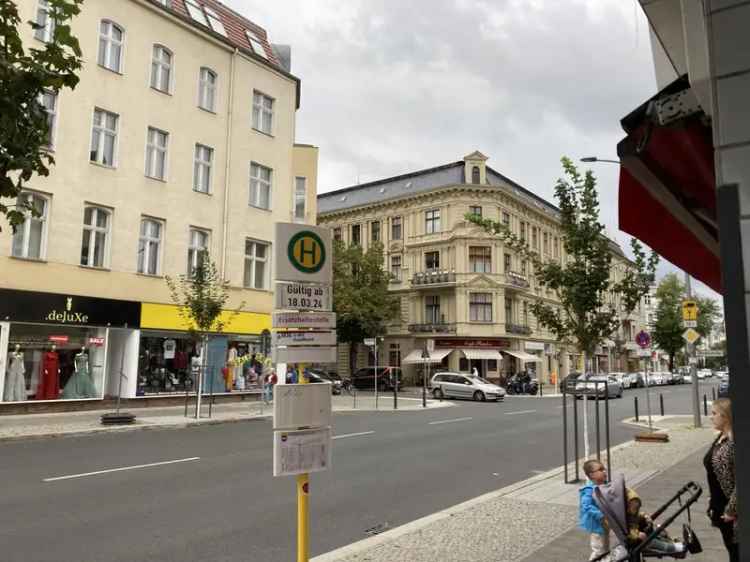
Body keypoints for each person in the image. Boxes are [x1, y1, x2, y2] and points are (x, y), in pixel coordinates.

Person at [704, 397, 738, 562]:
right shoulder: (721, 438)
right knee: (731, 550)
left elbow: (741, 482)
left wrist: (731, 510)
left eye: (714, 413)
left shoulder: (733, 443)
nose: (711, 417)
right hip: (720, 506)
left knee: (736, 552)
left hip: (731, 513)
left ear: (725, 416)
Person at [624, 488, 686, 557]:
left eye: (637, 507)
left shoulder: (630, 513)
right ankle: (674, 548)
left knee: (657, 531)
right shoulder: (624, 518)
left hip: (640, 532)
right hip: (635, 540)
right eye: (634, 508)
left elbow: (637, 516)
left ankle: (671, 542)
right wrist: (637, 534)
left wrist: (645, 516)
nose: (636, 509)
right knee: (652, 541)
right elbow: (626, 531)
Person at [580, 460, 609, 560]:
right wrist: (600, 515)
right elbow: (586, 505)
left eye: (604, 468)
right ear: (592, 475)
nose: (604, 471)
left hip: (605, 523)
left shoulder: (604, 485)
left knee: (605, 548)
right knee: (598, 550)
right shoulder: (589, 489)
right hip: (596, 524)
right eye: (600, 469)